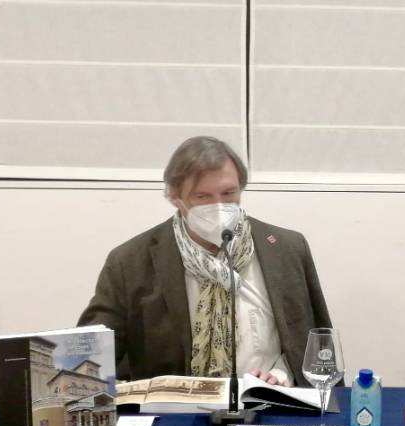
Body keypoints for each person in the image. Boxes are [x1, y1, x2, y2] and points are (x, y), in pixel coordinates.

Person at [78, 136, 332, 386]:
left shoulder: (286, 249)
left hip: (270, 405)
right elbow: (89, 354)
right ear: (175, 197)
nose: (218, 206)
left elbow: (316, 343)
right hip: (172, 409)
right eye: (202, 197)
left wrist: (281, 375)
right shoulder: (130, 262)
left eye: (228, 193)